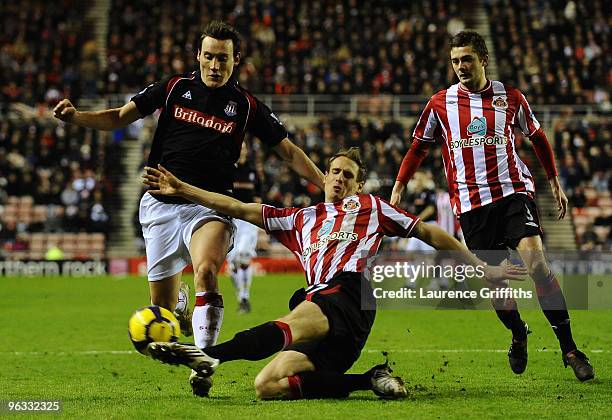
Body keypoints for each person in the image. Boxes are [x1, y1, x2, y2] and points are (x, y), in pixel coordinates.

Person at [53, 20, 324, 396]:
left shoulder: (245, 106)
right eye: (209, 56)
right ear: (198, 56)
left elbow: (289, 152)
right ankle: (179, 307)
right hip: (159, 209)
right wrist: (76, 117)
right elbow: (119, 116)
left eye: (223, 59)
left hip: (209, 205)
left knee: (208, 272)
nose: (215, 65)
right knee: (161, 321)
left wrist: (326, 184)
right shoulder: (175, 87)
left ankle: (204, 361)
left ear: (236, 60)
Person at [141, 147, 526, 400]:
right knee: (268, 386)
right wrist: (183, 189)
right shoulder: (300, 219)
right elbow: (237, 207)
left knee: (292, 320)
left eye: (348, 175)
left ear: (358, 185)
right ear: (323, 178)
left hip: (348, 295)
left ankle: (209, 357)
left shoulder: (371, 207)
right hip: (325, 312)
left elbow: (429, 233)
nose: (340, 179)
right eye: (334, 172)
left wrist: (484, 267)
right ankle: (369, 378)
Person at [390, 30, 594, 381]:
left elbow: (537, 137)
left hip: (513, 192)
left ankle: (570, 349)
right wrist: (399, 187)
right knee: (497, 283)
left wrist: (555, 182)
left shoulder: (510, 97)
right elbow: (418, 148)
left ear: (483, 59)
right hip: (471, 205)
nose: (460, 67)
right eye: (455, 61)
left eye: (467, 59)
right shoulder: (440, 103)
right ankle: (518, 334)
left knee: (537, 265)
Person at [226, 142, 261, 313]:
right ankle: (241, 297)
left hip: (248, 221)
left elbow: (259, 197)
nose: (242, 151)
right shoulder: (227, 170)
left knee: (242, 256)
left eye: (244, 147)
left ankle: (245, 296)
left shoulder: (253, 171)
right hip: (231, 219)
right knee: (232, 263)